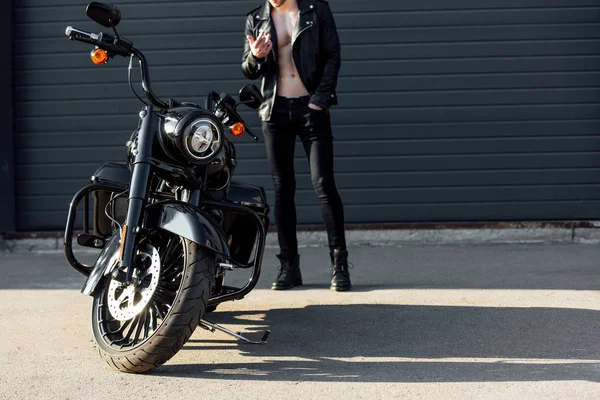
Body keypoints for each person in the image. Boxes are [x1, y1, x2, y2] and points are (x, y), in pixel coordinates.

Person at [241, 0, 352, 291]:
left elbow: (333, 55)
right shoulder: (256, 18)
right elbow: (249, 69)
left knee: (324, 184)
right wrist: (255, 56)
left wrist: (320, 98)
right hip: (274, 113)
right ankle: (289, 267)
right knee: (283, 189)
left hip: (310, 108)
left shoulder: (316, 11)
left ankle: (339, 265)